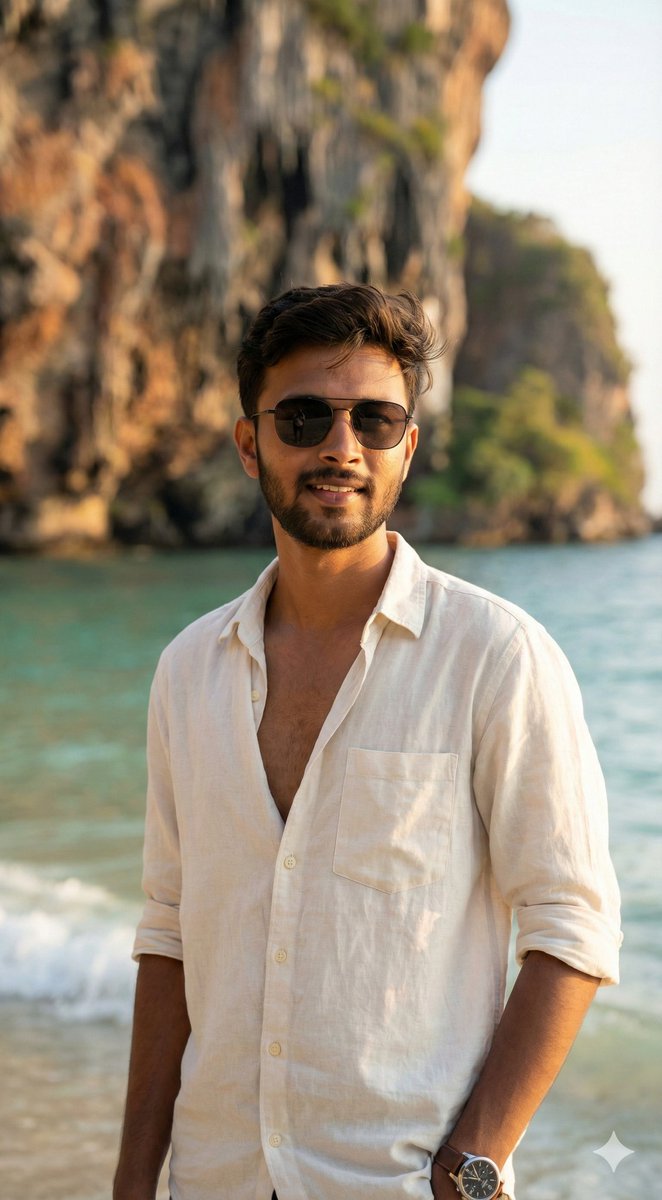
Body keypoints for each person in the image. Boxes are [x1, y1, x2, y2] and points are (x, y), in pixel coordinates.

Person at [113, 284, 622, 1200]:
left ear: (407, 450)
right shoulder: (188, 671)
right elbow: (170, 934)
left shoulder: (496, 658)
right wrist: (131, 1181)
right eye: (305, 417)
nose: (340, 447)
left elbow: (572, 926)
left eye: (375, 420)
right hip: (213, 1178)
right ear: (249, 442)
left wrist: (470, 1163)